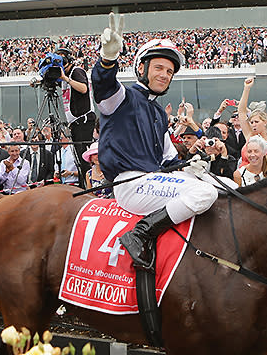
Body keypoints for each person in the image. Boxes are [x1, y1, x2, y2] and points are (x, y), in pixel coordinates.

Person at [91, 13, 222, 269]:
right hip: (130, 184)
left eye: (169, 71)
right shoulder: (122, 98)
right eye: (159, 68)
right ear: (142, 68)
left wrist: (190, 164)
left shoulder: (159, 113)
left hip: (153, 181)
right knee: (205, 192)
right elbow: (104, 86)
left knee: (223, 184)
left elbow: (168, 158)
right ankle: (140, 233)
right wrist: (107, 60)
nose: (165, 75)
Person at [57, 47, 95, 187]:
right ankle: (84, 184)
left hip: (83, 120)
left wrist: (65, 78)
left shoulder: (76, 71)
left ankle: (89, 186)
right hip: (75, 122)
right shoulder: (62, 77)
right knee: (79, 158)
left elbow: (83, 88)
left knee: (84, 158)